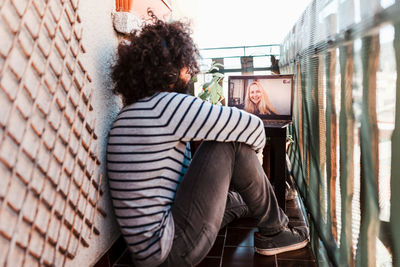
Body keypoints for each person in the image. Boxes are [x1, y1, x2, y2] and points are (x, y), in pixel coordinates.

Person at [107, 11, 309, 267]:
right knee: (230, 139)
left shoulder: (132, 112)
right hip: (170, 250)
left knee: (236, 199)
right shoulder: (167, 106)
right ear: (169, 68)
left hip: (149, 248)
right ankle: (276, 231)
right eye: (185, 64)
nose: (190, 70)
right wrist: (251, 158)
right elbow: (251, 125)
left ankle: (257, 203)